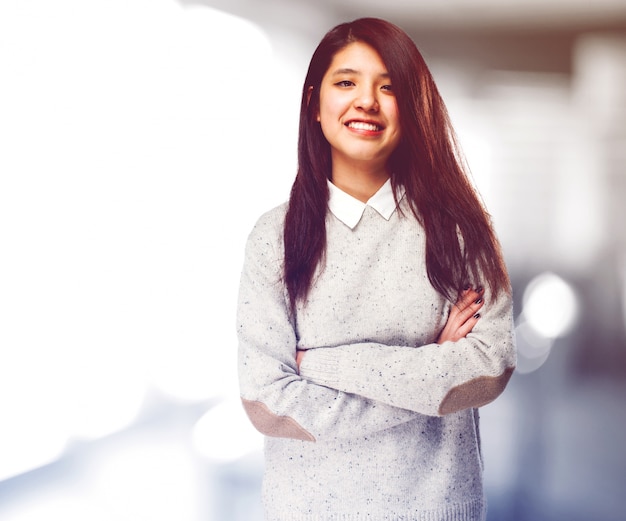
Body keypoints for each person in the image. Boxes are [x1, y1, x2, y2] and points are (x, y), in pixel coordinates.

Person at [237, 17, 516, 521]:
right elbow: (268, 401)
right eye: (346, 82)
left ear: (413, 109)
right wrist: (430, 365)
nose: (366, 100)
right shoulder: (272, 237)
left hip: (436, 508)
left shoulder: (461, 229)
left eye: (389, 88)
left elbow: (488, 368)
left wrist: (321, 365)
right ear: (313, 104)